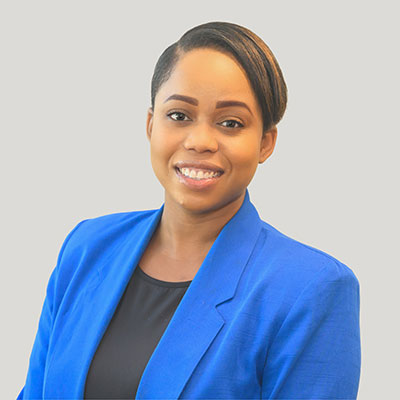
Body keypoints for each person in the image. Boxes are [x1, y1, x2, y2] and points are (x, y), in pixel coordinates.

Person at [17, 21, 361, 400]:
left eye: (230, 123)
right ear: (151, 125)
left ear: (265, 142)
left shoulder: (310, 288)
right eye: (179, 115)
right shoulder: (87, 247)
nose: (200, 141)